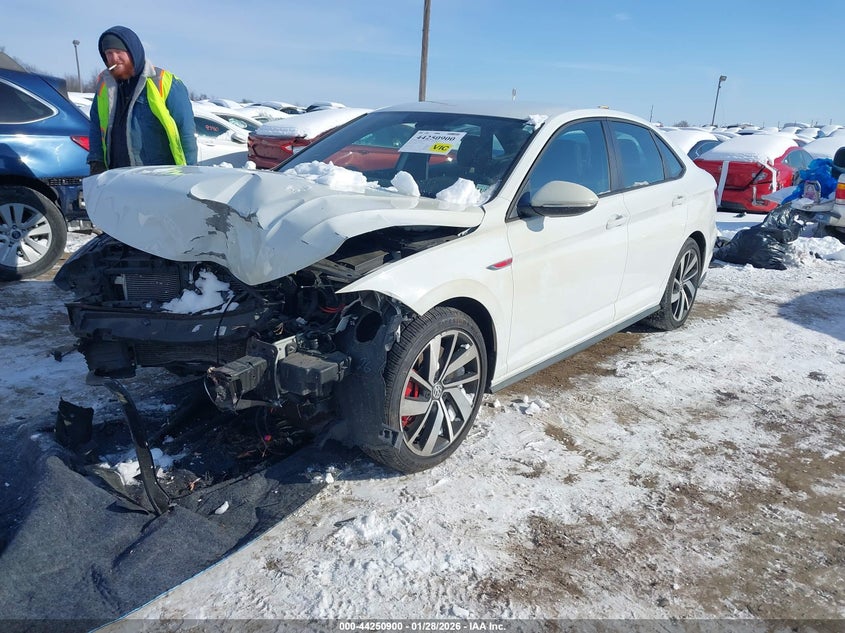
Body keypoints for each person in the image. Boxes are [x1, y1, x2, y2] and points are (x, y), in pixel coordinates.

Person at [87, 25, 197, 174]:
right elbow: (96, 126)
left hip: (159, 176)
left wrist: (190, 172)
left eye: (119, 52)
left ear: (132, 51)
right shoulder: (104, 87)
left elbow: (186, 132)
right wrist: (96, 161)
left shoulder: (165, 82)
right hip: (117, 175)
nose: (114, 58)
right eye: (109, 53)